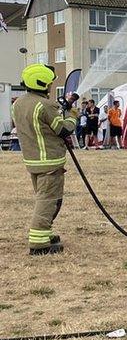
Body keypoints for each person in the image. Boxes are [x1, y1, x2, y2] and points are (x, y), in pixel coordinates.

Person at [10, 64, 79, 255]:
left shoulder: (18, 104)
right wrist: (72, 115)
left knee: (46, 198)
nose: (50, 86)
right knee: (48, 200)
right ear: (41, 83)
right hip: (49, 161)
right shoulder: (45, 105)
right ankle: (39, 243)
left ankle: (45, 232)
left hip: (32, 161)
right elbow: (63, 129)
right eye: (49, 83)